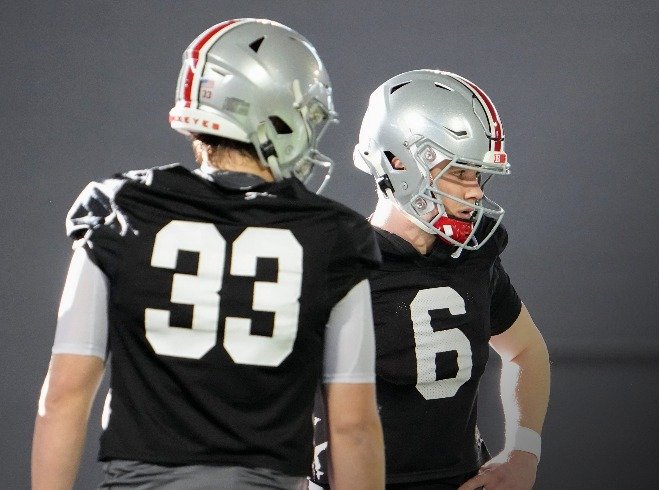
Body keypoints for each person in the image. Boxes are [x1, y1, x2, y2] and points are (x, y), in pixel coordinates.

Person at [31, 19, 384, 489]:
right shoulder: (333, 236)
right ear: (274, 114)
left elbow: (64, 395)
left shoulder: (122, 210)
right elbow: (352, 427)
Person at [309, 69, 551, 490]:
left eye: (477, 175)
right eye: (458, 173)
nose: (474, 192)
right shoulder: (340, 264)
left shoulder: (473, 255)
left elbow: (527, 351)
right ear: (398, 161)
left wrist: (523, 450)